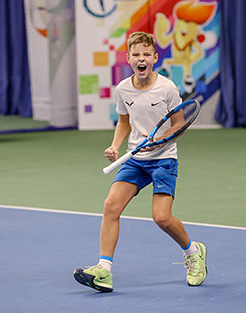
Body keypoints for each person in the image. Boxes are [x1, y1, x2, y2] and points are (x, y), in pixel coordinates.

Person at [73, 31, 206, 292]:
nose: (141, 58)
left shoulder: (167, 88)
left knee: (161, 218)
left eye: (146, 54)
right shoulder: (123, 88)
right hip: (135, 159)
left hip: (163, 160)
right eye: (136, 54)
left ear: (155, 58)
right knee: (111, 206)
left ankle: (193, 252)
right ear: (129, 58)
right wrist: (115, 146)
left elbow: (179, 123)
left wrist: (159, 140)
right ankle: (104, 270)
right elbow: (124, 121)